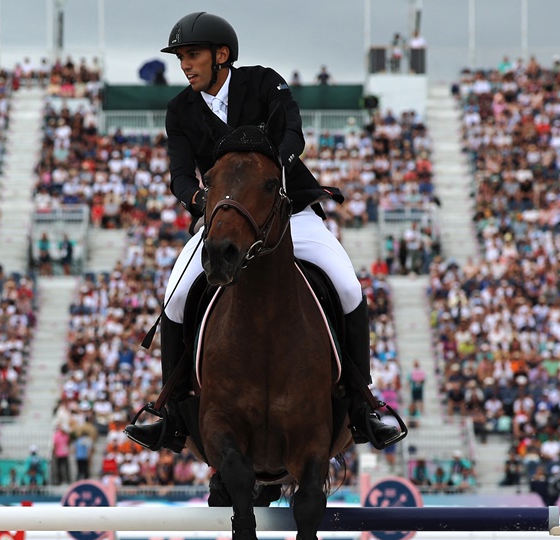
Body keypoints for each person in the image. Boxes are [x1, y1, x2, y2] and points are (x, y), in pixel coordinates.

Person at [124, 11, 404, 453]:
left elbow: (293, 134)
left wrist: (268, 173)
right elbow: (180, 175)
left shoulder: (262, 83)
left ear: (222, 55)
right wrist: (202, 203)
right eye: (180, 58)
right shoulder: (180, 110)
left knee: (348, 286)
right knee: (175, 296)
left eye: (192, 55)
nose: (185, 66)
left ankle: (361, 402)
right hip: (226, 221)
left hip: (289, 211)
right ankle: (171, 410)